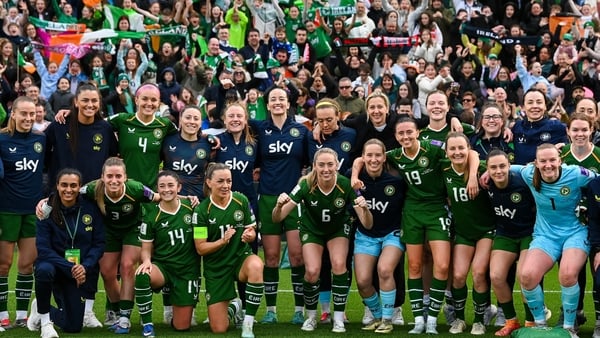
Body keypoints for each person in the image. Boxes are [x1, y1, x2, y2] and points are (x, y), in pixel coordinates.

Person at [351, 114, 480, 335]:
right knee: (414, 266)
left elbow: (472, 153)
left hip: (437, 208)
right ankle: (419, 319)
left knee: (441, 265)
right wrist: (354, 175)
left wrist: (473, 177)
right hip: (411, 212)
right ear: (396, 136)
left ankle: (432, 318)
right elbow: (361, 159)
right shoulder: (394, 155)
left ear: (417, 132)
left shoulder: (432, 148)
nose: (405, 136)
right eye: (401, 133)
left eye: (409, 132)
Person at [273, 148, 373, 333]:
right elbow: (277, 218)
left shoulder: (345, 185)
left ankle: (338, 318)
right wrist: (279, 205)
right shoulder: (305, 185)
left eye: (330, 164)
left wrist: (365, 209)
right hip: (312, 230)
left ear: (336, 165)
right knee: (311, 271)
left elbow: (367, 224)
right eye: (321, 165)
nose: (326, 169)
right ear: (314, 166)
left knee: (338, 264)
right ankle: (311, 317)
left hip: (337, 229)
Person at [515, 144, 596, 335]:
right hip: (545, 235)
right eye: (543, 161)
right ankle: (541, 325)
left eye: (552, 160)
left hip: (575, 232)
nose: (548, 165)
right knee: (526, 276)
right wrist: (483, 173)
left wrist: (588, 207)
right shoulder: (528, 174)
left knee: (567, 274)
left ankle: (569, 327)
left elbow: (597, 180)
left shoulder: (576, 174)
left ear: (560, 160)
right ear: (536, 163)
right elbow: (507, 167)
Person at [250, 87, 309, 324]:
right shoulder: (259, 130)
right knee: (271, 257)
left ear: (288, 103)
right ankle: (271, 311)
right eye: (273, 99)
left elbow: (309, 162)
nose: (277, 102)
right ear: (267, 103)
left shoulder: (300, 131)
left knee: (297, 256)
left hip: (294, 199)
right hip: (267, 198)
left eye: (281, 99)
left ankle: (299, 310)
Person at [80, 157, 158, 333]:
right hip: (108, 230)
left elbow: (160, 198)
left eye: (118, 176)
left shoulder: (136, 189)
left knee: (127, 265)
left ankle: (124, 317)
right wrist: (45, 201)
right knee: (107, 271)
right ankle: (116, 312)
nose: (114, 180)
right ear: (102, 177)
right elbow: (68, 194)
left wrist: (187, 199)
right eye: (109, 176)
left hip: (134, 228)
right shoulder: (93, 189)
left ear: (125, 177)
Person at [27, 168, 105, 337]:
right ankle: (46, 323)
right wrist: (71, 266)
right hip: (54, 266)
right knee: (43, 269)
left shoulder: (90, 208)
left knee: (73, 326)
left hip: (78, 271)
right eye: (64, 185)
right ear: (57, 186)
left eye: (73, 186)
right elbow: (44, 249)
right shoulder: (45, 210)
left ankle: (39, 310)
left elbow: (99, 244)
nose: (68, 190)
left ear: (79, 187)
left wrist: (84, 266)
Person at [193, 163, 264, 338]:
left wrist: (250, 235)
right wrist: (222, 241)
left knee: (256, 264)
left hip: (240, 259)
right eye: (220, 181)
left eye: (229, 181)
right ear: (209, 182)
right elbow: (200, 248)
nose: (226, 185)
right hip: (216, 267)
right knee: (219, 328)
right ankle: (235, 306)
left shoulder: (241, 200)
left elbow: (252, 230)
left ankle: (247, 324)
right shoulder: (201, 211)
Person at [134, 171, 201, 337]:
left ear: (179, 187)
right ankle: (147, 325)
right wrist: (147, 261)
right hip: (163, 268)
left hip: (187, 271)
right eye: (162, 186)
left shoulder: (193, 210)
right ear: (157, 189)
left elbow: (201, 241)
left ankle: (232, 306)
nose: (166, 190)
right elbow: (146, 247)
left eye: (171, 185)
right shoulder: (151, 216)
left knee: (182, 327)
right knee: (143, 273)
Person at [442, 132, 495, 335]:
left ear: (468, 149)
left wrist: (473, 176)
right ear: (446, 152)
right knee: (457, 276)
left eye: (461, 148)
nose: (457, 152)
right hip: (463, 232)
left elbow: (475, 156)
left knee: (479, 273)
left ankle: (480, 320)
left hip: (486, 231)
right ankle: (459, 319)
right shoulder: (443, 168)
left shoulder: (482, 170)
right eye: (452, 149)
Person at [0, 96, 45, 330]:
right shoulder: (1, 139)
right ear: (13, 114)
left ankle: (20, 315)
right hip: (6, 210)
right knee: (3, 264)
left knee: (27, 264)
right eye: (24, 114)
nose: (28, 118)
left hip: (32, 211)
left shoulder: (41, 139)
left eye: (32, 114)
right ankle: (1, 315)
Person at [353, 139, 406, 333]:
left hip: (392, 234)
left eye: (378, 155)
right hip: (365, 235)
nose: (373, 159)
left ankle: (387, 319)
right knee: (363, 282)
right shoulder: (355, 181)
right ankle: (376, 316)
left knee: (384, 270)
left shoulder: (397, 181)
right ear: (363, 157)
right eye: (369, 155)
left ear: (384, 157)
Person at [486, 149, 536, 336]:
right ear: (487, 169)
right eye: (493, 167)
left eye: (502, 166)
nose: (498, 171)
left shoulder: (523, 182)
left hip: (529, 233)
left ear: (509, 166)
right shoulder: (486, 183)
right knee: (496, 276)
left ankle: (531, 322)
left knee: (525, 276)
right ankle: (511, 321)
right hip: (505, 234)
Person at [161, 106, 212, 198]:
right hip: (171, 199)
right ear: (180, 119)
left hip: (198, 200)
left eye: (196, 119)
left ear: (200, 123)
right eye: (188, 117)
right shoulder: (167, 140)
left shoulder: (208, 144)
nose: (192, 121)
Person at [512, 89, 568, 165]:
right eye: (530, 102)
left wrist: (564, 145)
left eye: (539, 102)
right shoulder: (517, 127)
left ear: (545, 106)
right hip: (520, 174)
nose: (535, 106)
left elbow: (575, 142)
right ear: (523, 107)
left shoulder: (557, 126)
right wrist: (504, 129)